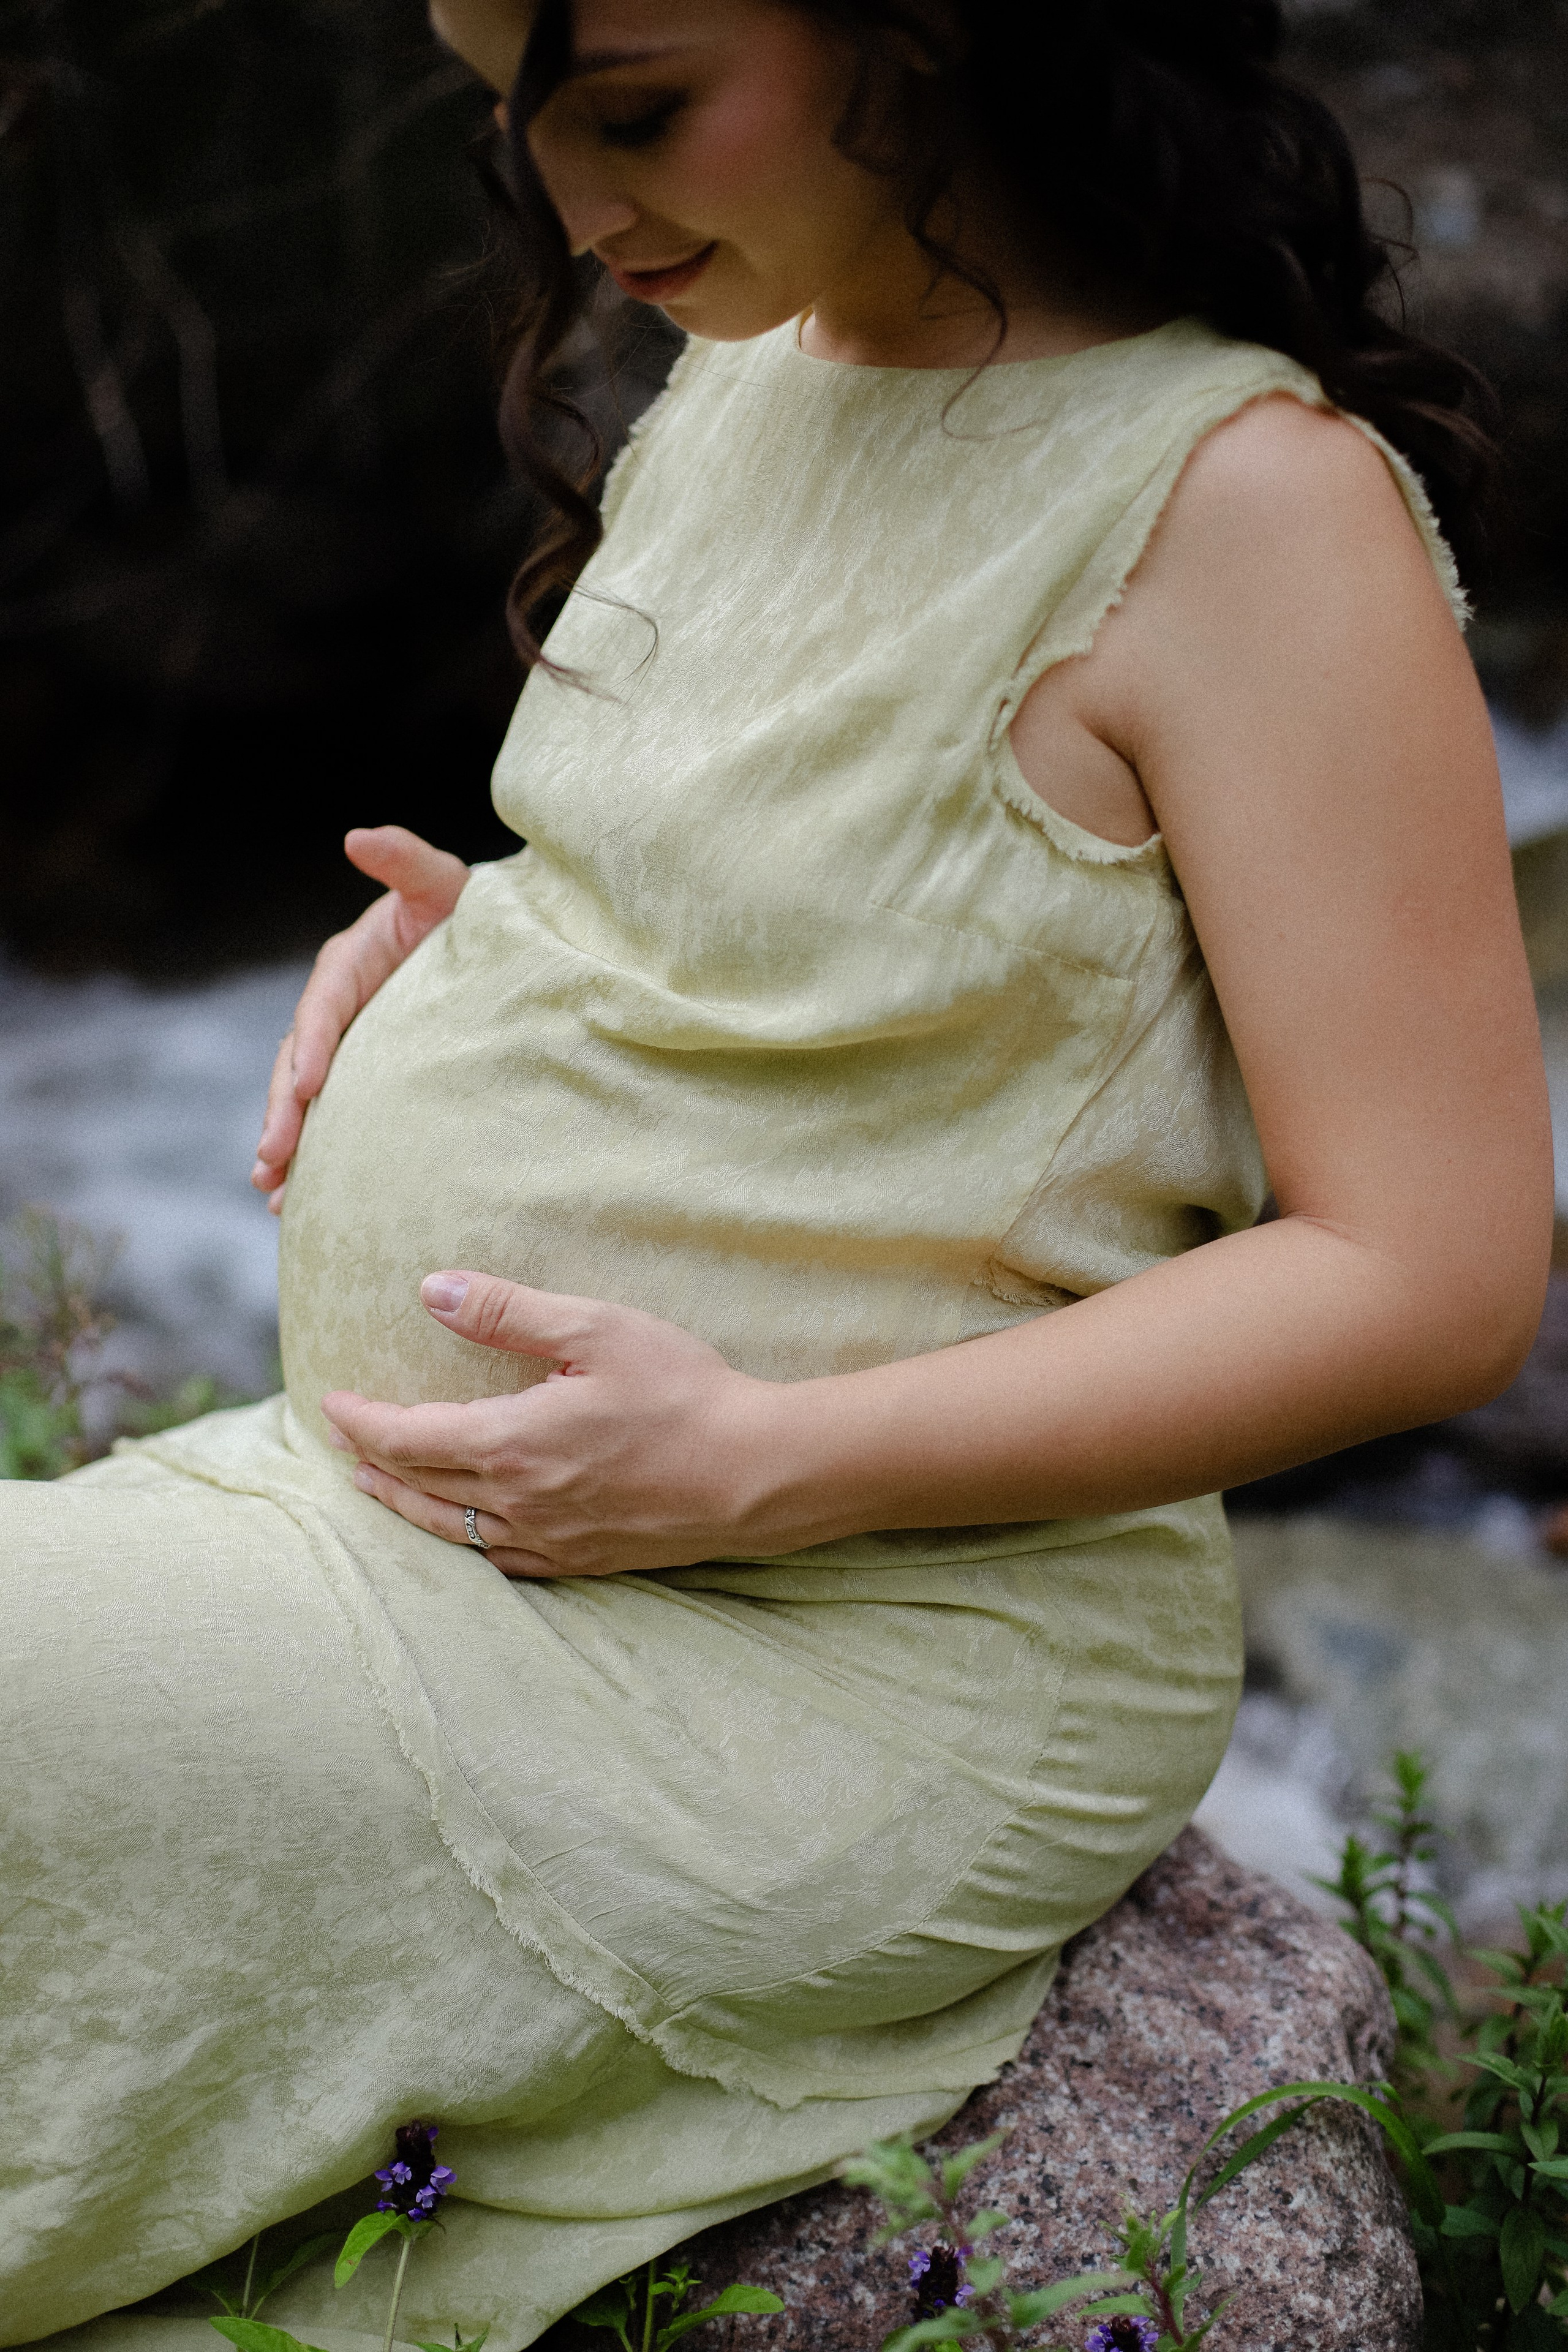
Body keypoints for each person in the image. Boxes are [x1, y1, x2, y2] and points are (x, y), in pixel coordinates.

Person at [3, 3, 1551, 2346]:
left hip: (834, 1654)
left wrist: (760, 1463)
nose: (562, 197)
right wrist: (478, 946)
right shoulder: (752, 361)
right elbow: (854, 910)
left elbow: (1432, 1268)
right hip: (421, 1535)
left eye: (630, 107)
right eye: (504, 114)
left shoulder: (1245, 508)